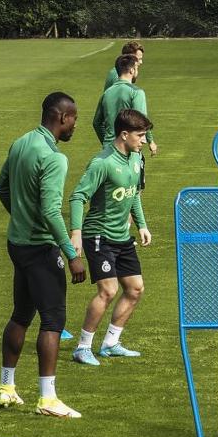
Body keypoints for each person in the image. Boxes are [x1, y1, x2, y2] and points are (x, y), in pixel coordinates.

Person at [0, 92, 88, 418]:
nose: (76, 123)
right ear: (62, 117)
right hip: (40, 248)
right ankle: (47, 399)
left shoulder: (21, 143)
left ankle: (7, 388)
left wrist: (19, 216)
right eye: (74, 118)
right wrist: (71, 253)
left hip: (17, 244)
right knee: (52, 320)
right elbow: (50, 211)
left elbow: (1, 187)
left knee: (21, 313)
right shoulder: (54, 157)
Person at [69, 109, 154, 364]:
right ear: (124, 134)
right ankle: (83, 347)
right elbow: (77, 196)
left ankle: (111, 343)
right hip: (99, 235)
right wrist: (76, 233)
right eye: (141, 136)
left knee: (135, 289)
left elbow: (134, 193)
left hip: (122, 236)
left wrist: (141, 225)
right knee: (108, 290)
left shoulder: (136, 158)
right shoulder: (102, 163)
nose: (144, 141)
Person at [94, 54, 158, 157]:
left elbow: (97, 123)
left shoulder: (107, 93)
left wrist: (107, 142)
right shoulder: (136, 92)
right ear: (132, 70)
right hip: (128, 150)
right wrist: (150, 141)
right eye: (136, 68)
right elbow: (142, 121)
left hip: (108, 150)